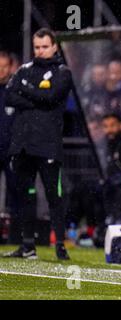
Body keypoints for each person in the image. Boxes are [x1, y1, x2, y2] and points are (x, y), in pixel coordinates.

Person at [3, 28, 73, 260]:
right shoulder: (24, 69)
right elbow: (10, 96)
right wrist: (36, 96)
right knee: (25, 195)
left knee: (54, 195)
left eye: (45, 46)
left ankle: (60, 245)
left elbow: (52, 97)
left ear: (54, 46)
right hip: (23, 144)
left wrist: (26, 90)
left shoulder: (62, 72)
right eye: (37, 47)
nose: (40, 51)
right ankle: (27, 245)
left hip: (48, 143)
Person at [0, 51, 20, 244]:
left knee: (16, 192)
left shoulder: (15, 90)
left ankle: (15, 236)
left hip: (11, 151)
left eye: (4, 66)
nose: (1, 70)